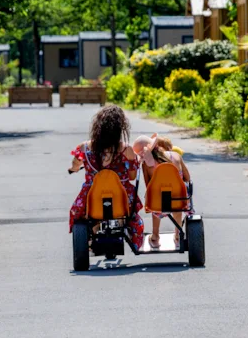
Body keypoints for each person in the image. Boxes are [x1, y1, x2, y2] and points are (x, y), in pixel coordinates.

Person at [68, 106, 144, 250]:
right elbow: (133, 176)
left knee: (82, 213)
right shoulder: (126, 150)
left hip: (93, 197)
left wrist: (73, 169)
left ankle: (91, 235)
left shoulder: (84, 148)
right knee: (128, 208)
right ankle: (124, 227)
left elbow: (75, 165)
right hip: (121, 198)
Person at [138, 135, 191, 248]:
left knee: (155, 195)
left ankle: (155, 236)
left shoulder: (146, 165)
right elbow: (187, 177)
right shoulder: (176, 156)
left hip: (157, 202)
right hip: (179, 200)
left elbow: (149, 185)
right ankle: (177, 235)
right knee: (178, 195)